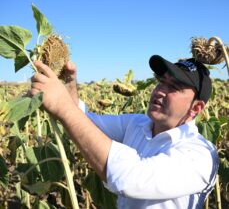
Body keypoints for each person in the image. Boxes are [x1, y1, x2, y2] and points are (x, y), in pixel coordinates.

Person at [30, 55, 219, 209]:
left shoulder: (201, 155)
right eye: (161, 81)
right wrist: (68, 85)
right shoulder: (138, 123)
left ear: (196, 108)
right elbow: (88, 121)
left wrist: (62, 106)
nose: (160, 90)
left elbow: (129, 178)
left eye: (174, 87)